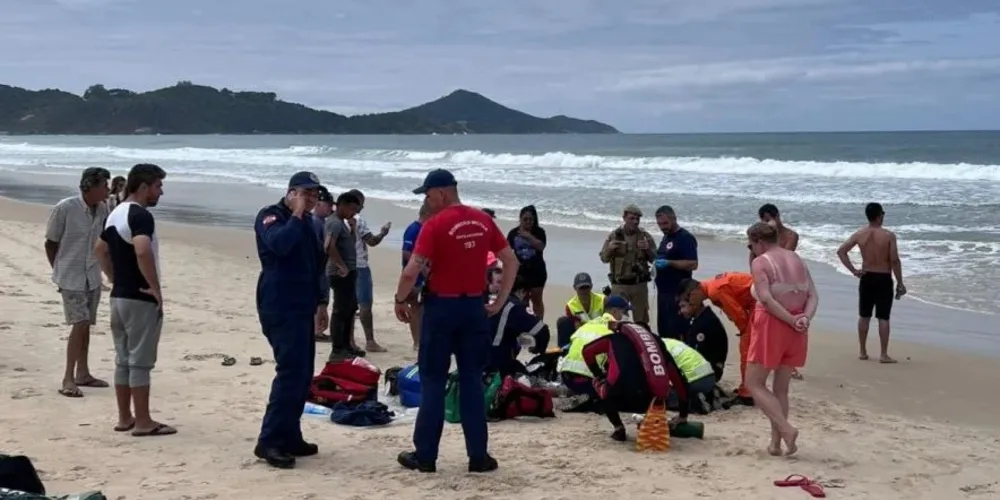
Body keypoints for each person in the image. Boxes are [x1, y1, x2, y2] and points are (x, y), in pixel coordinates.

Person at [392, 169, 517, 474]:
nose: (427, 199)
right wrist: (499, 302)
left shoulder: (434, 225)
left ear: (442, 193)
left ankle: (425, 456)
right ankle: (478, 457)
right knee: (472, 381)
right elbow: (510, 259)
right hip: (473, 307)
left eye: (428, 194)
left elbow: (411, 271)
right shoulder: (482, 220)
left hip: (441, 308)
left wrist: (399, 299)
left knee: (433, 381)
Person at [251, 171, 331, 469]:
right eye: (304, 193)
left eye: (314, 195)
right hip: (279, 303)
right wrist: (297, 214)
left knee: (302, 373)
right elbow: (279, 245)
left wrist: (322, 303)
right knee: (289, 372)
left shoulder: (311, 223)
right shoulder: (271, 216)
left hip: (303, 304)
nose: (310, 199)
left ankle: (290, 434)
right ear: (290, 192)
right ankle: (269, 440)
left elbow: (317, 265)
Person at [93, 163, 174, 438]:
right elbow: (142, 250)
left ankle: (124, 417)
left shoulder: (115, 213)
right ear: (143, 187)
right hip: (139, 297)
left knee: (123, 359)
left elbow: (100, 249)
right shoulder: (140, 215)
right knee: (140, 361)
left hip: (119, 296)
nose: (160, 192)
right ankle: (143, 421)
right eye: (158, 186)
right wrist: (155, 288)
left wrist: (114, 276)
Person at [746, 222, 818, 457]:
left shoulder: (761, 262)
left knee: (754, 383)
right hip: (798, 327)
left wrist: (789, 319)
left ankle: (786, 429)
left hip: (773, 325)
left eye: (751, 245)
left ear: (759, 242)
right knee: (781, 389)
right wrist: (804, 318)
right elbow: (813, 295)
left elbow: (766, 299)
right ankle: (777, 444)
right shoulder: (797, 259)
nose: (751, 250)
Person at [45, 167, 111, 398]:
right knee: (79, 322)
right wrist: (59, 271)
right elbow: (51, 242)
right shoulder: (65, 207)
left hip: (92, 274)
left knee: (86, 325)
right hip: (70, 275)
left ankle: (83, 373)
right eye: (104, 185)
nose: (108, 189)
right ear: (89, 187)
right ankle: (68, 378)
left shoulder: (103, 208)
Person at [581, 321, 692, 442]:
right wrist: (683, 415)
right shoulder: (656, 344)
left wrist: (599, 375)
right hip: (651, 403)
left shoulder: (615, 339)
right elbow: (678, 380)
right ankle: (652, 420)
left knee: (603, 385)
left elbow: (586, 351)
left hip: (619, 399)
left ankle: (619, 429)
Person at [836, 202, 905, 364]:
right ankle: (883, 354)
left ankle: (862, 351)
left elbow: (841, 251)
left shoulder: (860, 234)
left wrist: (854, 270)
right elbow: (894, 260)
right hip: (883, 278)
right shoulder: (888, 236)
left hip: (866, 277)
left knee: (864, 315)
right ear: (879, 216)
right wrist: (900, 282)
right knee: (883, 317)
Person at [679, 273, 755, 404]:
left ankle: (747, 393)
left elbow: (739, 316)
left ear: (695, 291)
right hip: (757, 296)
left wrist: (744, 333)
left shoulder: (715, 292)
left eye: (689, 297)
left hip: (758, 301)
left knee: (746, 350)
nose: (690, 302)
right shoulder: (712, 285)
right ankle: (749, 387)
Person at [755, 203, 802, 379]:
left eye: (769, 219)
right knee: (769, 323)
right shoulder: (761, 239)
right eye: (763, 220)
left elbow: (783, 256)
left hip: (787, 283)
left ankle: (789, 364)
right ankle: (769, 360)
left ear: (777, 217)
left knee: (787, 323)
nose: (767, 223)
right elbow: (756, 260)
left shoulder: (791, 235)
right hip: (767, 281)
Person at [342, 189, 391, 353]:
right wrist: (383, 233)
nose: (362, 209)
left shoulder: (334, 219)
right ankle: (370, 341)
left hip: (342, 266)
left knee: (347, 305)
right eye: (361, 205)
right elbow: (371, 241)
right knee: (365, 305)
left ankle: (349, 341)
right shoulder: (358, 220)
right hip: (360, 265)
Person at [557, 295, 630, 400]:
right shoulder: (615, 330)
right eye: (625, 312)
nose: (627, 316)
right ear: (614, 311)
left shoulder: (590, 323)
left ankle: (573, 392)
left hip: (567, 377)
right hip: (587, 379)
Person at [599, 205, 656, 326]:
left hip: (639, 285)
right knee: (616, 320)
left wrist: (647, 249)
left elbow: (655, 260)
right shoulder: (614, 236)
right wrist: (610, 249)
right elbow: (604, 258)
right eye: (632, 218)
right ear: (624, 217)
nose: (635, 222)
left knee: (641, 321)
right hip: (619, 285)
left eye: (637, 219)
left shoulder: (645, 236)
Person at [325, 191, 364, 360]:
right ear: (341, 205)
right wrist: (341, 265)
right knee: (340, 310)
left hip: (349, 271)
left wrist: (353, 228)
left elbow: (349, 244)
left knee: (350, 308)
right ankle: (337, 348)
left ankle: (347, 345)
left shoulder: (343, 223)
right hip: (339, 273)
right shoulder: (334, 223)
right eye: (351, 209)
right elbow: (328, 246)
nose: (354, 213)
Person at [487, 276, 551, 376]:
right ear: (521, 291)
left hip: (470, 357)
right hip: (495, 363)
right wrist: (537, 351)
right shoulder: (515, 306)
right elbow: (543, 331)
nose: (527, 299)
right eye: (527, 294)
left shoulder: (488, 298)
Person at [652, 205, 698, 340]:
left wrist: (669, 263)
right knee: (664, 331)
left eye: (665, 223)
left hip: (678, 294)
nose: (662, 227)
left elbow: (693, 264)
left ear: (674, 218)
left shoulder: (685, 238)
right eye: (659, 224)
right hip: (663, 294)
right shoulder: (666, 237)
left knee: (676, 332)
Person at [507, 205, 547, 320]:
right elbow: (507, 251)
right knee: (522, 301)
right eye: (525, 219)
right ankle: (525, 325)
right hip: (520, 273)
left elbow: (541, 247)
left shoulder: (539, 232)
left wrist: (528, 236)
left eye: (531, 219)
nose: (528, 222)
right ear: (520, 219)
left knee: (537, 301)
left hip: (537, 272)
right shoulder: (513, 233)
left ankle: (539, 324)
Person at [401, 202, 432, 350]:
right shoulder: (413, 229)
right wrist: (423, 268)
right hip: (414, 277)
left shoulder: (426, 230)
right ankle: (417, 342)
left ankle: (422, 340)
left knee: (423, 309)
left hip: (425, 278)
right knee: (415, 309)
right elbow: (406, 253)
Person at [678, 297, 728, 382]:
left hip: (710, 370)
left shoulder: (706, 322)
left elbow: (698, 353)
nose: (681, 311)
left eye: (683, 306)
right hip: (707, 366)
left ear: (694, 304)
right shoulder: (699, 318)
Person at [311, 186, 335, 342]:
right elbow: (322, 248)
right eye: (327, 205)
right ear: (319, 204)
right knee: (319, 300)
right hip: (318, 268)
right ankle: (316, 331)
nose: (330, 208)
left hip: (319, 268)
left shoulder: (318, 222)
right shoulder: (316, 223)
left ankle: (316, 330)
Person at [556, 272, 606, 347]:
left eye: (586, 287)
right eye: (581, 288)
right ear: (575, 287)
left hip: (602, 333)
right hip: (583, 334)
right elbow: (578, 329)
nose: (584, 291)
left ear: (591, 286)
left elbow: (609, 320)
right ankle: (564, 350)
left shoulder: (603, 300)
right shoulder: (571, 305)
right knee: (562, 321)